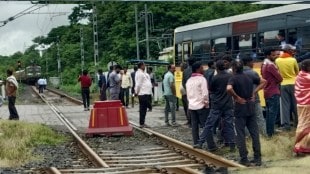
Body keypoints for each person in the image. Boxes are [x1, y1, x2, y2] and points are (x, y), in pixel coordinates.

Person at [227, 60, 264, 166]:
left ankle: (244, 158)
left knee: (240, 133)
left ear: (233, 69)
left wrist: (236, 97)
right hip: (250, 106)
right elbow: (264, 81)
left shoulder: (233, 78)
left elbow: (229, 88)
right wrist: (254, 92)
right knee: (254, 133)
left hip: (240, 108)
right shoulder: (249, 76)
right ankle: (257, 158)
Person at [194, 60, 235, 152]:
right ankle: (232, 145)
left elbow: (211, 90)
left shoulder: (215, 78)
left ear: (216, 68)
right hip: (228, 104)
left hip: (217, 105)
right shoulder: (230, 76)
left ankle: (200, 143)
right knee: (229, 125)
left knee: (209, 124)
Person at [242, 54, 267, 136]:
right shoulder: (252, 73)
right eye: (252, 62)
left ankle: (248, 136)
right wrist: (255, 91)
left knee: (245, 119)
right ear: (248, 62)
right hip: (254, 99)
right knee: (259, 118)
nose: (253, 64)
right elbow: (264, 82)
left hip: (242, 100)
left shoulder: (237, 73)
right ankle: (263, 135)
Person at [275, 44, 299, 130]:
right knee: (296, 104)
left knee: (285, 105)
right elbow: (297, 72)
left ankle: (286, 125)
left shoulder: (277, 60)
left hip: (283, 84)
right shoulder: (293, 60)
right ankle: (298, 123)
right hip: (294, 84)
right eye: (291, 50)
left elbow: (277, 72)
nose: (293, 51)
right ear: (288, 51)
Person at [186, 62, 209, 146]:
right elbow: (205, 94)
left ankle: (196, 142)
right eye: (202, 68)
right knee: (206, 125)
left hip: (192, 106)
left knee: (194, 126)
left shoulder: (189, 80)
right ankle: (211, 145)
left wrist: (190, 103)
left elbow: (188, 94)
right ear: (198, 69)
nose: (203, 70)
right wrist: (206, 104)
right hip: (201, 106)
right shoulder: (202, 79)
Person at [261, 48, 283, 137]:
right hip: (273, 91)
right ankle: (271, 132)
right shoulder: (270, 65)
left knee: (269, 113)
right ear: (268, 55)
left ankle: (269, 131)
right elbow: (280, 78)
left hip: (267, 91)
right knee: (273, 113)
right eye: (273, 55)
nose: (275, 57)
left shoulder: (263, 64)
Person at [294, 59, 310, 154]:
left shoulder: (300, 75)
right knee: (306, 127)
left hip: (300, 104)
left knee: (302, 125)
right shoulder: (308, 77)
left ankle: (300, 145)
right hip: (308, 105)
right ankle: (301, 147)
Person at [135, 62, 153, 128]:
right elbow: (138, 84)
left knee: (144, 109)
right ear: (141, 66)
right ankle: (141, 123)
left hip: (146, 92)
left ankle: (142, 123)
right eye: (144, 65)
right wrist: (136, 92)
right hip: (142, 93)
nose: (145, 66)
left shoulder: (144, 73)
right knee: (143, 108)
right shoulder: (139, 74)